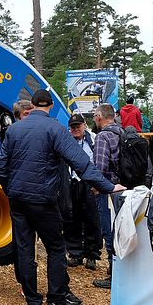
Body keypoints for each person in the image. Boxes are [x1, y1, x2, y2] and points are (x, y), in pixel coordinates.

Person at [0, 90, 125, 305]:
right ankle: (56, 300)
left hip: (18, 199)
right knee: (56, 248)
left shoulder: (14, 129)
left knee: (25, 250)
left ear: (33, 105)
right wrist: (107, 186)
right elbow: (81, 163)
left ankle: (33, 302)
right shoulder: (55, 128)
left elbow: (2, 166)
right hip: (43, 200)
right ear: (50, 107)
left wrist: (10, 191)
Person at [91, 103, 125, 289]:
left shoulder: (103, 136)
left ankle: (114, 276)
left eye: (96, 115)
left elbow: (100, 167)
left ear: (100, 116)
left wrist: (97, 187)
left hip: (109, 191)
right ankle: (125, 271)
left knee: (109, 231)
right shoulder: (124, 133)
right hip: (127, 190)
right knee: (123, 230)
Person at [62, 114, 102, 270]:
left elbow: (99, 161)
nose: (76, 129)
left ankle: (92, 255)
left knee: (92, 218)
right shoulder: (65, 142)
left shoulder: (94, 140)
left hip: (89, 182)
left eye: (78, 126)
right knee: (72, 218)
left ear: (84, 125)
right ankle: (75, 253)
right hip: (71, 182)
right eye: (73, 127)